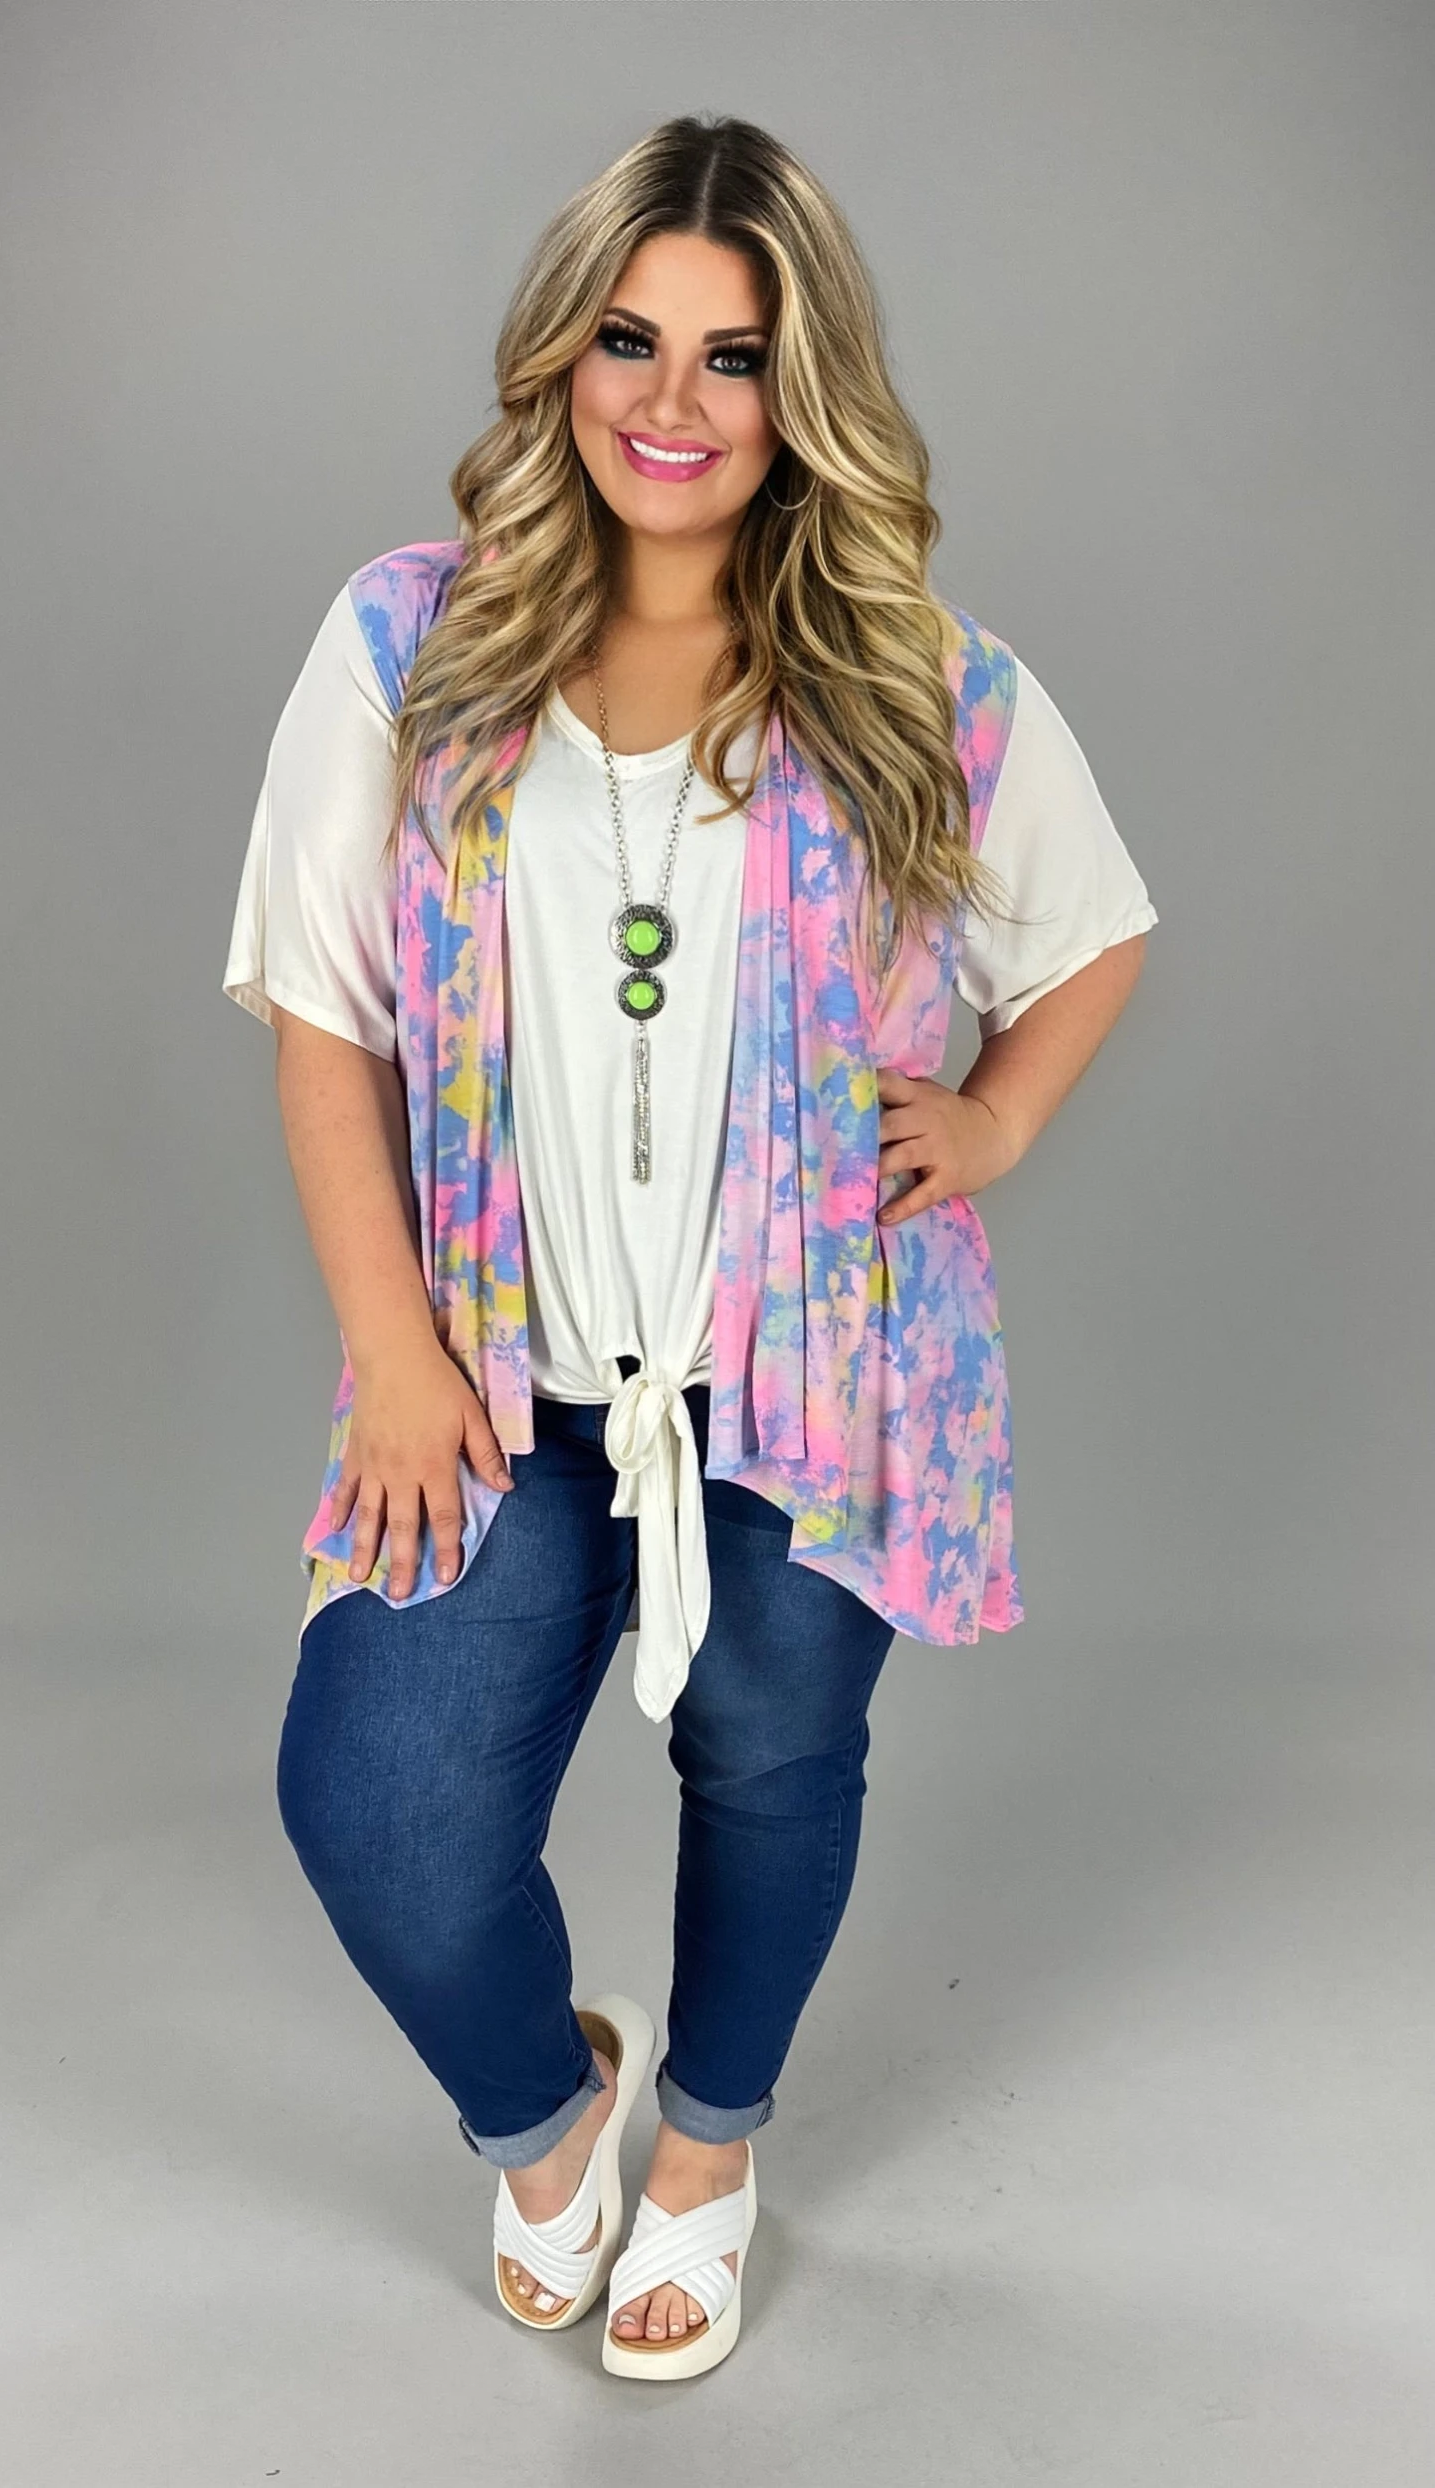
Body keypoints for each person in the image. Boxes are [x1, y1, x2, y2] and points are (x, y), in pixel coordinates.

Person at [221, 113, 1157, 2381]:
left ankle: (713, 2154)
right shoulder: (410, 642)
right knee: (376, 1795)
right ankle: (553, 2122)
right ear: (560, 355)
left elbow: (1092, 931)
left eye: (734, 357)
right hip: (497, 1365)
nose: (672, 401)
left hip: (816, 1368)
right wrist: (392, 1346)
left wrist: (996, 1115)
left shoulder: (913, 672)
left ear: (800, 390)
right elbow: (326, 1013)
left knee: (770, 1743)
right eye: (629, 340)